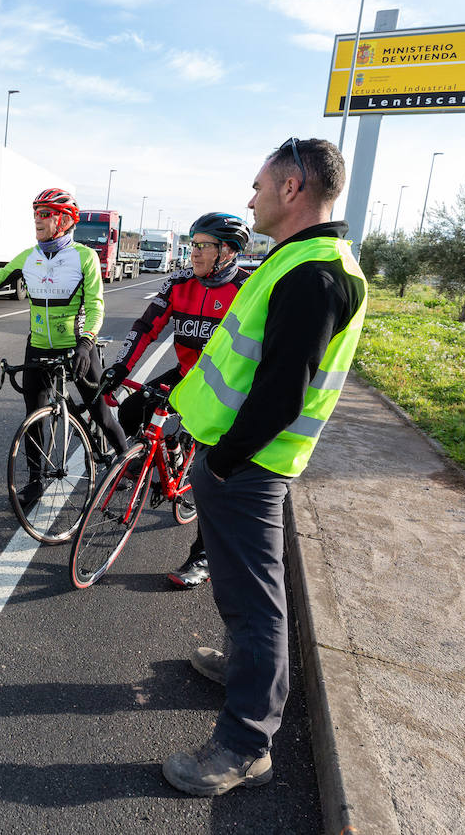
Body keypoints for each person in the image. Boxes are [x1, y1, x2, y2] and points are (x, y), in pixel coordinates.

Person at [160, 138, 367, 796]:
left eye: (258, 185)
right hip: (240, 460)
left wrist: (221, 460)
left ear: (292, 188)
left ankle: (247, 743)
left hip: (248, 465)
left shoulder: (314, 272)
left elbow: (282, 391)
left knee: (258, 605)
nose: (250, 198)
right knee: (245, 595)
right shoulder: (300, 260)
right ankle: (248, 671)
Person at [0, 188, 125, 508]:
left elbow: (96, 308)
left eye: (45, 214)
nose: (37, 220)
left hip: (77, 348)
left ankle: (126, 460)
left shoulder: (84, 257)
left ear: (65, 220)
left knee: (100, 411)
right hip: (38, 347)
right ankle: (34, 481)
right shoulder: (28, 257)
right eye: (36, 214)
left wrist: (86, 344)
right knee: (34, 416)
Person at [102, 213, 253, 588]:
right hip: (187, 375)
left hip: (224, 389)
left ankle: (203, 556)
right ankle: (164, 455)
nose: (194, 252)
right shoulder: (180, 282)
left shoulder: (246, 289)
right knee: (134, 406)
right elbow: (145, 327)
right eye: (193, 244)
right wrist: (120, 368)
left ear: (228, 251)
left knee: (210, 479)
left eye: (203, 246)